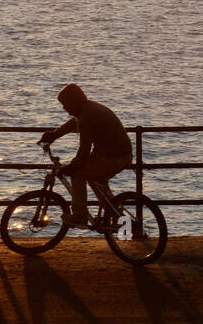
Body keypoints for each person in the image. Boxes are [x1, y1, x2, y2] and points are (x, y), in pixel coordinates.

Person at [38, 84, 133, 228]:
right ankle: (116, 216)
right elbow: (74, 123)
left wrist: (71, 167)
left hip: (113, 158)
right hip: (117, 155)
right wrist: (55, 134)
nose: (65, 109)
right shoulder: (88, 109)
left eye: (65, 105)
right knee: (95, 179)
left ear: (73, 102)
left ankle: (79, 216)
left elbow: (83, 151)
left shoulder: (88, 116)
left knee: (77, 173)